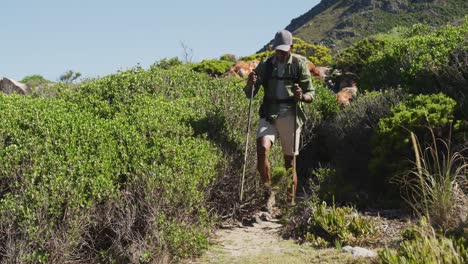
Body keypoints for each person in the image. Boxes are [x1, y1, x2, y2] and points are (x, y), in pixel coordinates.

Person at [244, 29, 314, 212]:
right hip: (269, 113)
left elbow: (311, 94)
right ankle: (269, 194)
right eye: (278, 50)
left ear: (291, 47)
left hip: (291, 114)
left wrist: (301, 96)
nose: (280, 53)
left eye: (283, 50)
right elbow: (249, 93)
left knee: (289, 164)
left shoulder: (299, 64)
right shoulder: (266, 64)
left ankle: (289, 205)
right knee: (261, 148)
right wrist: (251, 82)